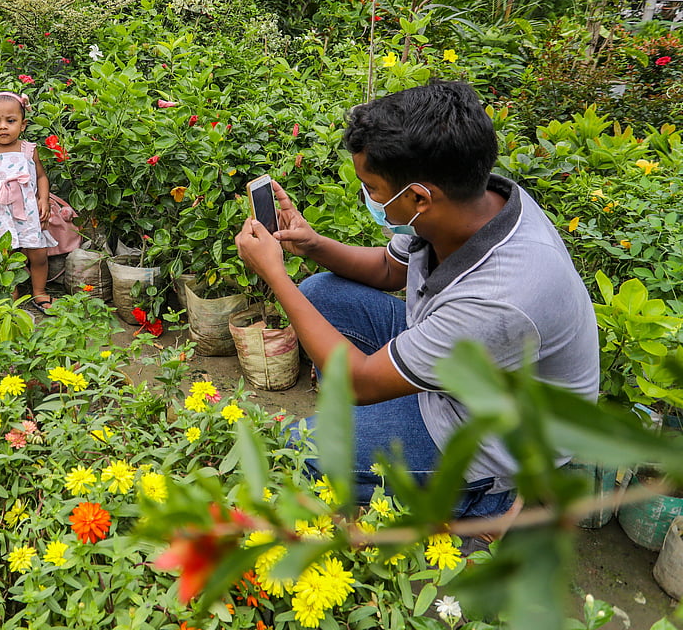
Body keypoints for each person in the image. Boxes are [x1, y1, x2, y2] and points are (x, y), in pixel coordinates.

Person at [234, 80, 599, 522]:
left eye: (371, 188)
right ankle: (391, 418)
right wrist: (312, 244)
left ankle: (489, 500)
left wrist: (274, 275)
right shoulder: (476, 205)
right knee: (320, 295)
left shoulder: (504, 296)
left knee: (300, 447)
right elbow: (390, 269)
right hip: (467, 372)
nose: (369, 198)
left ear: (420, 197)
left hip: (489, 434)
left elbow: (360, 382)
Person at [0, 91, 58, 312]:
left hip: (28, 213)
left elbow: (41, 177)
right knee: (6, 258)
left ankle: (39, 292)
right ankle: (12, 294)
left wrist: (44, 200)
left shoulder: (29, 150)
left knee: (38, 254)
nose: (3, 127)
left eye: (10, 121)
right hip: (0, 216)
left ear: (23, 124)